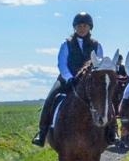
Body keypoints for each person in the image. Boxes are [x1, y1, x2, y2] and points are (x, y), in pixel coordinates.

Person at [33, 11, 107, 147]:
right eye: (79, 26)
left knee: (105, 99)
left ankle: (111, 131)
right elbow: (62, 63)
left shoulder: (97, 45)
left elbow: (99, 64)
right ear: (75, 27)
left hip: (90, 81)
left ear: (90, 27)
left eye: (85, 26)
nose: (82, 28)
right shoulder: (66, 44)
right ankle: (42, 132)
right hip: (68, 79)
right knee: (50, 98)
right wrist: (69, 78)